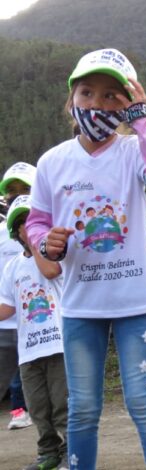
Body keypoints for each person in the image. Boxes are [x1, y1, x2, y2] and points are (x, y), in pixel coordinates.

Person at [26, 48, 146, 470]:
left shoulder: (133, 151)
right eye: (87, 93)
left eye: (112, 96)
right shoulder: (52, 162)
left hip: (135, 303)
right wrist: (46, 241)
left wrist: (144, 122)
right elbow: (37, 221)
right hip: (79, 305)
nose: (96, 104)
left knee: (144, 401)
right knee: (83, 408)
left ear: (128, 104)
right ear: (71, 99)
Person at [0, 195, 68, 470]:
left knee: (62, 404)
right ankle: (48, 452)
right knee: (38, 406)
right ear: (16, 233)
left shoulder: (56, 256)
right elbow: (7, 306)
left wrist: (38, 245)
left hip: (58, 343)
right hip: (28, 349)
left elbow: (51, 272)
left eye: (33, 223)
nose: (29, 229)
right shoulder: (13, 266)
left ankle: (70, 453)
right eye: (23, 226)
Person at [0, 162, 35, 431]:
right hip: (6, 321)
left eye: (24, 188)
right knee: (12, 374)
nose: (16, 194)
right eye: (11, 189)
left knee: (34, 371)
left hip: (38, 319)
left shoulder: (53, 232)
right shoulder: (1, 234)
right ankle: (18, 411)